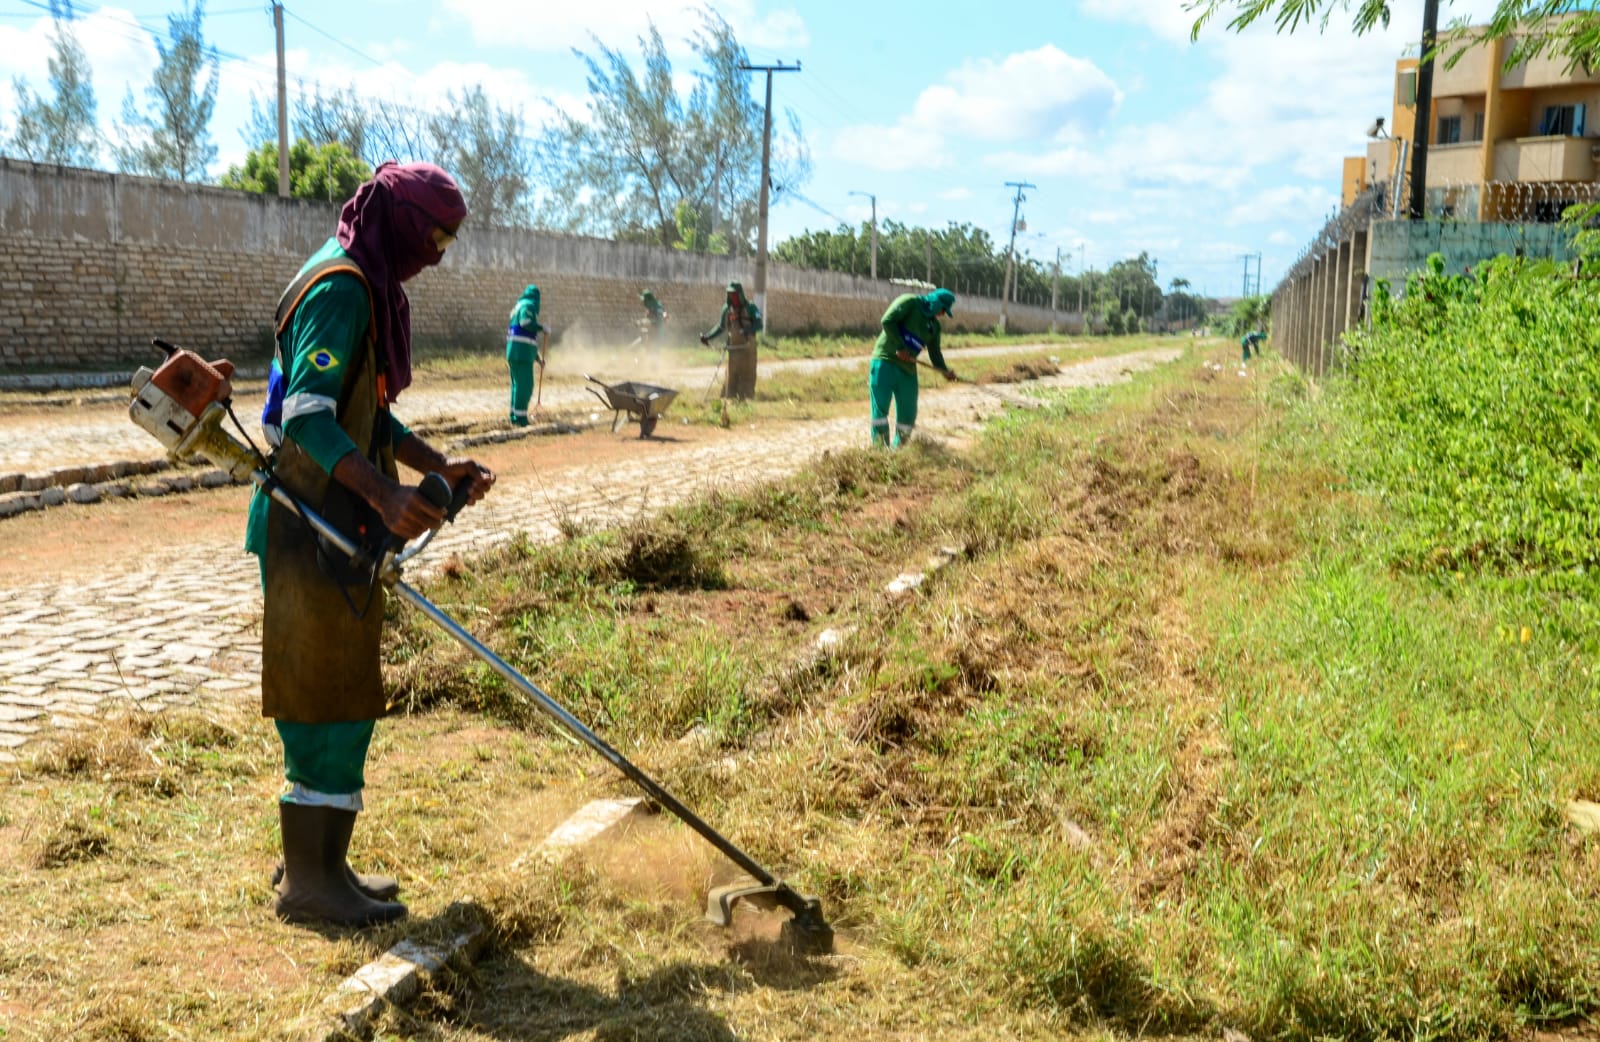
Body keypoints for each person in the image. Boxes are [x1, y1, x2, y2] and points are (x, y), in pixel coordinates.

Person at [248, 161, 496, 927]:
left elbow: (365, 411)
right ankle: (309, 886)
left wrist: (432, 466)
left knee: (341, 694)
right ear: (400, 221)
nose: (440, 252)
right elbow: (308, 421)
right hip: (309, 526)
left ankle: (326, 868)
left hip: (332, 527)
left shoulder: (361, 280)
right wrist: (386, 494)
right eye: (434, 234)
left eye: (451, 238)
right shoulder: (343, 288)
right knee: (324, 703)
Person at [870, 288, 957, 447]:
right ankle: (880, 453)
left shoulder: (935, 327)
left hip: (907, 369)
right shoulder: (910, 302)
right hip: (885, 361)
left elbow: (935, 353)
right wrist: (900, 347)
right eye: (944, 310)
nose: (943, 314)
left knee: (908, 415)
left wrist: (945, 371)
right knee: (880, 410)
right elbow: (887, 321)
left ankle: (898, 453)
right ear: (936, 304)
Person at [699, 281, 763, 398]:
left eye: (734, 294)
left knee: (747, 375)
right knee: (732, 375)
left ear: (740, 294)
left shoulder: (751, 307)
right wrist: (707, 337)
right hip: (733, 349)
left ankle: (746, 398)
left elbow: (759, 325)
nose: (732, 297)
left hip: (748, 349)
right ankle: (729, 398)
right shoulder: (727, 309)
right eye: (729, 294)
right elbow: (721, 327)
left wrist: (747, 330)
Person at [506, 284, 547, 426]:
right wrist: (541, 328)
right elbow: (525, 323)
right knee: (525, 386)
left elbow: (526, 337)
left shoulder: (517, 307)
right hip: (521, 354)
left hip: (515, 352)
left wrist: (538, 359)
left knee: (517, 386)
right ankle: (520, 419)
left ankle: (513, 416)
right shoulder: (528, 305)